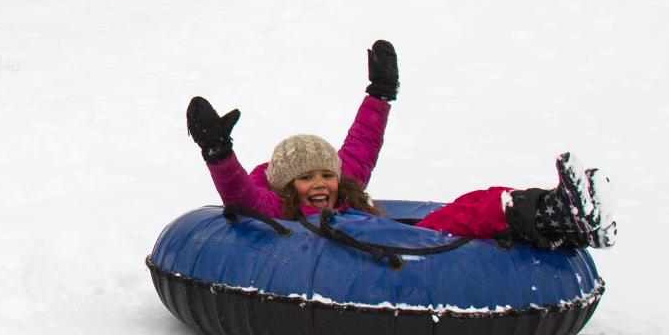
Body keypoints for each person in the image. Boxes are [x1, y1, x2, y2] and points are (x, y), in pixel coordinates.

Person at [184, 40, 616, 250]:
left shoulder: (346, 190)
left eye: (325, 174)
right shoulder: (278, 211)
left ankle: (554, 212)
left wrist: (380, 93)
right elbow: (240, 195)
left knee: (471, 204)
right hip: (367, 254)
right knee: (466, 216)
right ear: (284, 186)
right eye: (305, 178)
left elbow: (362, 143)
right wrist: (218, 153)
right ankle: (554, 213)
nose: (320, 184)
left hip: (380, 237)